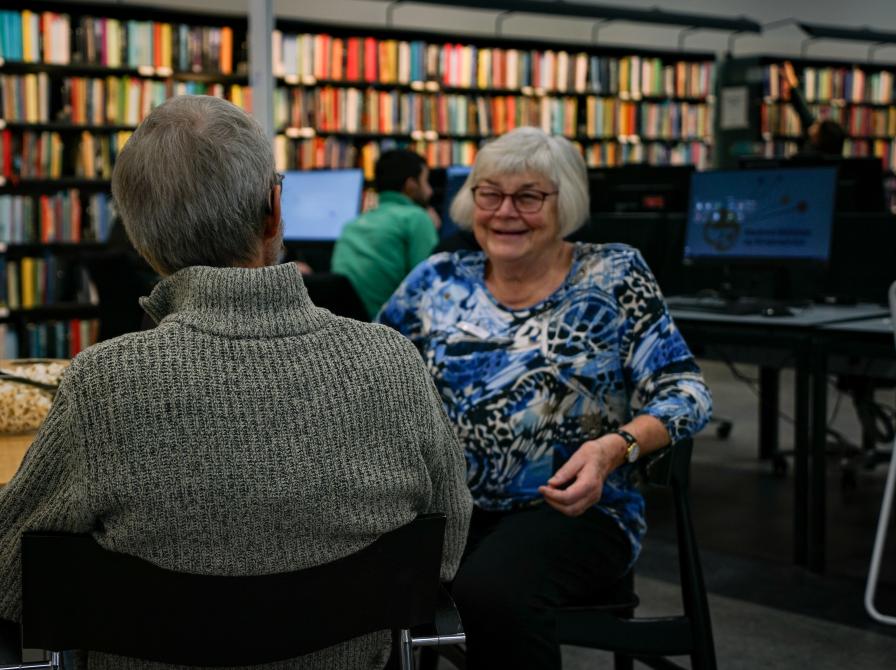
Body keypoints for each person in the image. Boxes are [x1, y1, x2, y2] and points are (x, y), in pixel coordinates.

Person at [0, 95, 471, 670]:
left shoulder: (103, 385)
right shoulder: (391, 362)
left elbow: (11, 575)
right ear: (275, 209)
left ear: (141, 239)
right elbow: (445, 548)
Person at [378, 127, 712, 669]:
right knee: (361, 576)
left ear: (565, 204)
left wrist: (616, 448)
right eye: (490, 193)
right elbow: (374, 372)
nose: (505, 211)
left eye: (529, 196)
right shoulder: (437, 279)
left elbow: (686, 391)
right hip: (448, 507)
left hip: (574, 509)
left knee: (490, 593)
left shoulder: (615, 274)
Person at [331, 149, 440, 319]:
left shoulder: (352, 224)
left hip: (348, 329)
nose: (430, 191)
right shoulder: (416, 218)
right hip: (391, 331)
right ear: (411, 185)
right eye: (426, 182)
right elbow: (431, 287)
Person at [783, 61, 846, 156]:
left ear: (819, 139)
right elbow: (803, 109)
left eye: (817, 128)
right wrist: (792, 82)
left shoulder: (809, 157)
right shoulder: (815, 132)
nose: (814, 125)